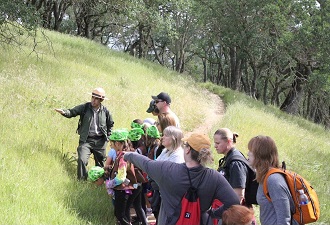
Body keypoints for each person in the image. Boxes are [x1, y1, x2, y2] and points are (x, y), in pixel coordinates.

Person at [124, 132, 240, 225]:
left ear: (188, 150)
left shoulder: (167, 169)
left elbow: (145, 163)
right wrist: (213, 214)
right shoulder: (214, 177)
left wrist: (127, 155)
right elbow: (233, 201)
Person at [55, 87, 114, 180]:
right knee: (81, 159)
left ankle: (99, 183)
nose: (93, 100)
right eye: (92, 97)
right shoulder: (85, 107)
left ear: (101, 100)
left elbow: (110, 124)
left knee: (100, 164)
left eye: (96, 99)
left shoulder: (105, 111)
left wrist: (108, 137)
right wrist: (64, 112)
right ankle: (82, 181)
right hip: (86, 140)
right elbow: (72, 112)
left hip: (100, 141)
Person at [247, 135, 298, 225]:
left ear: (260, 154)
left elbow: (284, 219)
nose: (248, 153)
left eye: (251, 151)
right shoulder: (264, 176)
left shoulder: (273, 180)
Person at [150, 126, 185, 223]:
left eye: (166, 135)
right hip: (159, 190)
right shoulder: (165, 151)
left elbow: (172, 177)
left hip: (169, 195)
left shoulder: (178, 156)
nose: (162, 137)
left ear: (174, 138)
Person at [213, 128, 247, 203]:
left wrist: (230, 212)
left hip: (232, 211)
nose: (215, 146)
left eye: (218, 143)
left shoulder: (236, 163)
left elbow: (239, 195)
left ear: (228, 141)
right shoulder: (228, 158)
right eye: (215, 143)